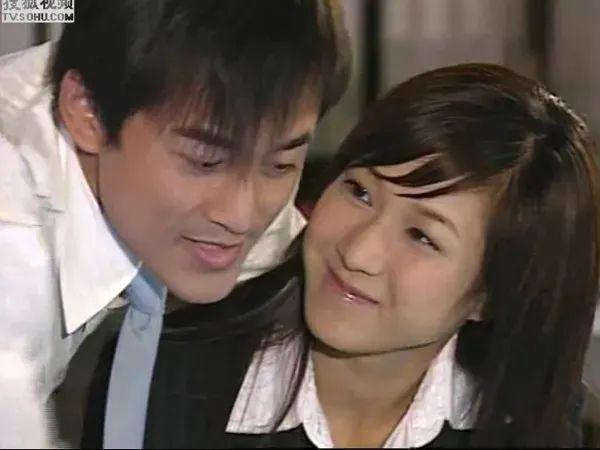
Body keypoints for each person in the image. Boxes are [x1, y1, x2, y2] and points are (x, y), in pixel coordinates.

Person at [84, 63, 600, 448]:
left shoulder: (530, 419)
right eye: (359, 192)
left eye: (422, 237)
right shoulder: (164, 375)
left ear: (491, 296)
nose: (358, 252)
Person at [0, 0, 350, 447]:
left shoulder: (138, 79)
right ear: (87, 113)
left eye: (280, 164)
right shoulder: (14, 252)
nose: (240, 217)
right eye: (205, 162)